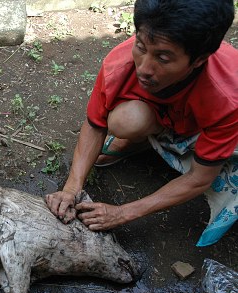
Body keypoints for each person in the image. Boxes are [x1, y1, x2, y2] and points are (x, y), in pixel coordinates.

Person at [45, 0, 238, 246]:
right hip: (175, 119)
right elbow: (96, 124)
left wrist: (123, 212)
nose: (144, 69)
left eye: (163, 58)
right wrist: (72, 187)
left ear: (199, 60)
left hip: (224, 127)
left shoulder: (228, 95)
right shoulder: (120, 65)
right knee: (126, 120)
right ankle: (139, 143)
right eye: (141, 46)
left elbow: (200, 178)